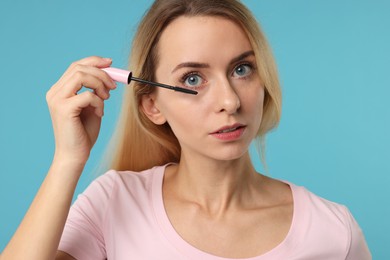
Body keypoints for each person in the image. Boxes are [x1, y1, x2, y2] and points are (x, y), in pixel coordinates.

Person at [1, 0, 371, 259]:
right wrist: (68, 160)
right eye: (193, 78)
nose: (229, 101)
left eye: (242, 69)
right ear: (152, 105)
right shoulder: (115, 203)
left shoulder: (333, 231)